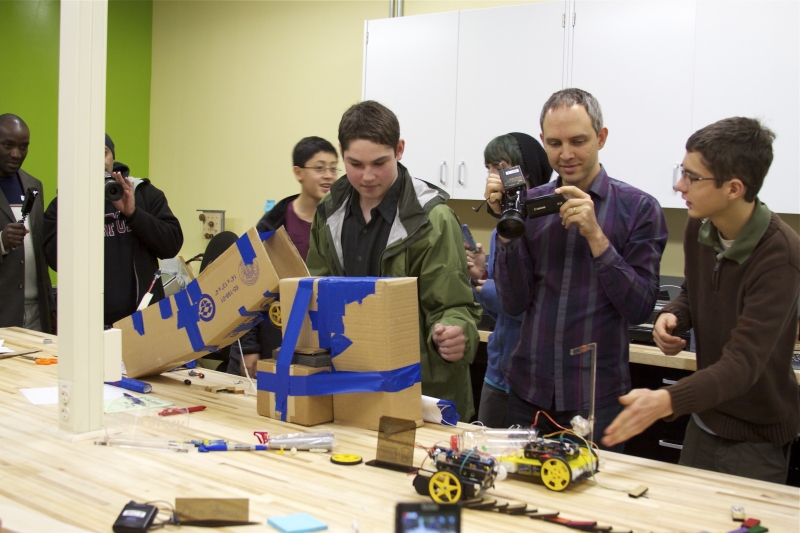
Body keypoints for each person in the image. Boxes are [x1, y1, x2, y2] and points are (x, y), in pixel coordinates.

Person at [602, 117, 800, 483]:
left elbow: (742, 364)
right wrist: (676, 315)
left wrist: (667, 400)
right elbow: (694, 292)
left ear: (734, 188)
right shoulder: (701, 224)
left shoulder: (782, 255)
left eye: (693, 177)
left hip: (755, 438)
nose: (680, 185)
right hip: (704, 418)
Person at [484, 88, 667, 449]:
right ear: (543, 141)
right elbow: (514, 301)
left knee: (592, 501)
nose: (565, 154)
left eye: (578, 141)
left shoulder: (640, 209)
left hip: (596, 397)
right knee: (520, 492)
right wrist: (506, 230)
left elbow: (640, 307)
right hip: (529, 393)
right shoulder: (530, 206)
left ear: (601, 137)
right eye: (554, 143)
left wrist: (598, 239)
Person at [306, 100, 482, 421]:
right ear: (342, 155)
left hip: (421, 389)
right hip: (350, 381)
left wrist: (457, 332)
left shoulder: (433, 219)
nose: (368, 176)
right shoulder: (328, 213)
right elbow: (316, 293)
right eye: (355, 163)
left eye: (379, 162)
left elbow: (453, 306)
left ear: (399, 149)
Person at [43, 134, 183, 326]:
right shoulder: (64, 204)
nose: (98, 160)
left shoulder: (144, 193)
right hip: (86, 324)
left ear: (112, 157)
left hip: (143, 321)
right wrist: (80, 209)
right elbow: (55, 260)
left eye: (103, 152)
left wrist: (134, 214)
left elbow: (171, 245)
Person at [228, 136, 339, 377]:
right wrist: (249, 347)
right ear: (298, 172)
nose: (328, 175)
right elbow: (249, 286)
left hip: (321, 341)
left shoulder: (340, 223)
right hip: (272, 335)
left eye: (333, 168)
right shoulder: (273, 225)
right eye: (319, 168)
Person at [466, 132, 552, 428]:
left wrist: (484, 286)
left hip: (528, 383)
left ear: (526, 174)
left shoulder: (545, 229)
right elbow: (499, 313)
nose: (492, 178)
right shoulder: (501, 229)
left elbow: (519, 306)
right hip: (497, 374)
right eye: (489, 168)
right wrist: (481, 274)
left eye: (501, 168)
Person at [0, 114, 54, 333]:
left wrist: (50, 306)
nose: (16, 154)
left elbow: (39, 249)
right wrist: (1, 242)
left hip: (37, 312)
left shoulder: (34, 185)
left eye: (23, 147)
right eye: (8, 145)